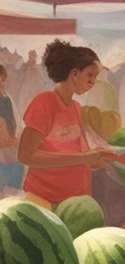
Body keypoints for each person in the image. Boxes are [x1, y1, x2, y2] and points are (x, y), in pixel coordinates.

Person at [17, 41, 117, 205]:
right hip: (45, 199)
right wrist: (84, 157)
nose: (93, 81)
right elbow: (25, 155)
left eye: (96, 77)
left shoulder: (77, 108)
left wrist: (95, 158)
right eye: (90, 75)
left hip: (76, 199)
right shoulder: (44, 103)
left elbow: (78, 155)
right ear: (74, 74)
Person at [0, 64, 24, 194]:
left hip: (12, 151)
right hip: (2, 154)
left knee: (14, 192)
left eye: (2, 79)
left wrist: (17, 138)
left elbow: (18, 120)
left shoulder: (7, 97)